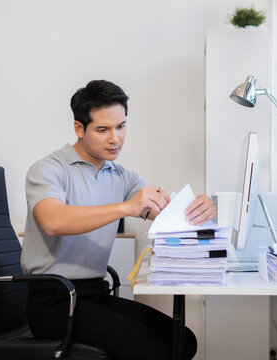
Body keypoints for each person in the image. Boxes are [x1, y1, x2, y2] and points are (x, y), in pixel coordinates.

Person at [21, 80, 217, 360]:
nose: (115, 138)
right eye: (103, 129)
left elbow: (166, 215)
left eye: (121, 126)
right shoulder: (48, 170)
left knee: (183, 340)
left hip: (95, 293)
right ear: (79, 128)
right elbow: (53, 221)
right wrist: (126, 207)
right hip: (53, 302)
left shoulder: (123, 176)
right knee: (155, 348)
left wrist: (202, 210)